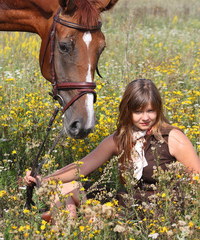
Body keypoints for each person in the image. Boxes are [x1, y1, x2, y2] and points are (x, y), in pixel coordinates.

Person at [24, 79, 200, 220]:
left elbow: (196, 178)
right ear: (127, 111)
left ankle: (75, 222)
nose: (145, 117)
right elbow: (82, 167)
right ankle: (70, 227)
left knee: (67, 198)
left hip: (159, 212)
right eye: (138, 111)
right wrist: (43, 179)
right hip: (125, 205)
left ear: (158, 110)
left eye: (150, 111)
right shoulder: (119, 138)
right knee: (65, 188)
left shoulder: (172, 137)